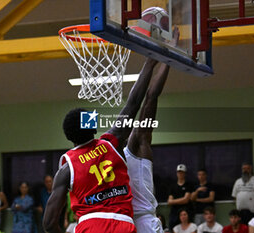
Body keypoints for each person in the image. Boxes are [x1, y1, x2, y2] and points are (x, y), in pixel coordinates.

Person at [43, 58, 159, 233]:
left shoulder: (67, 169)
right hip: (123, 224)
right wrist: (150, 63)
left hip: (91, 225)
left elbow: (49, 224)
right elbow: (133, 103)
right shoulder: (111, 142)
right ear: (91, 128)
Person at [123, 60, 170, 232]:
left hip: (138, 222)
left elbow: (151, 97)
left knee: (150, 102)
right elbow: (151, 97)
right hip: (131, 222)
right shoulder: (132, 148)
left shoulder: (134, 149)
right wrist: (166, 60)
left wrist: (166, 61)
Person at [167, 164, 193, 230]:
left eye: (182, 172)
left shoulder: (188, 185)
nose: (180, 174)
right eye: (179, 172)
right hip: (174, 213)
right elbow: (169, 201)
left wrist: (174, 201)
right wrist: (181, 200)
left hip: (185, 213)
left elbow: (186, 200)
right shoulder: (173, 186)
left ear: (185, 174)